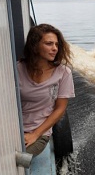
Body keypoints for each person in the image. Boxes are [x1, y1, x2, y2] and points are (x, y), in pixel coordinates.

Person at [17, 23, 75, 156]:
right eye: (49, 44)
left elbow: (60, 108)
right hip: (14, 129)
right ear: (35, 46)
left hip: (39, 132)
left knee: (18, 159)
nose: (55, 48)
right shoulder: (18, 69)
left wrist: (35, 134)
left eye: (56, 44)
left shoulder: (63, 72)